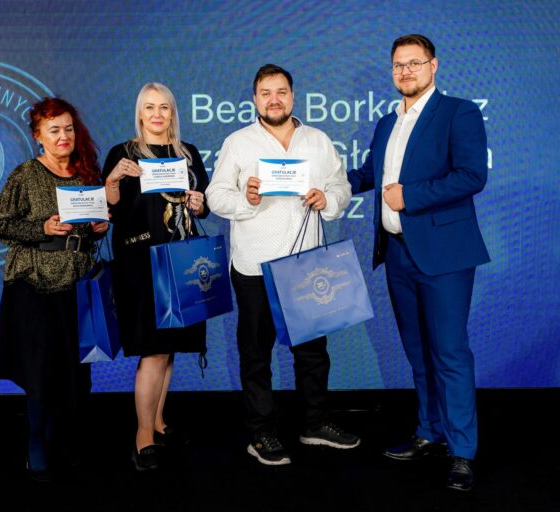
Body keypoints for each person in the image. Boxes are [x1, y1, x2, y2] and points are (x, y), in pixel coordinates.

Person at [348, 34, 489, 492]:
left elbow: (472, 175)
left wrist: (410, 196)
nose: (405, 71)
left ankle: (463, 451)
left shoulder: (458, 113)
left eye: (414, 63)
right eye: (398, 65)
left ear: (433, 66)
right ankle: (430, 431)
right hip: (397, 254)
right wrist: (317, 185)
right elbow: (368, 175)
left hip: (445, 255)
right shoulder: (387, 123)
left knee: (449, 351)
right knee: (417, 351)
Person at [205, 64, 359, 466]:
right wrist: (246, 199)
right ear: (255, 99)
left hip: (307, 264)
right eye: (266, 93)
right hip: (255, 266)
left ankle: (315, 423)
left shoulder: (317, 140)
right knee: (257, 353)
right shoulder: (238, 142)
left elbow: (341, 186)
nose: (274, 99)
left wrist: (329, 199)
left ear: (292, 96)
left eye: (281, 92)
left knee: (313, 353)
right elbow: (216, 196)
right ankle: (262, 432)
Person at [0, 97, 108, 482]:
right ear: (38, 136)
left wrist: (98, 228)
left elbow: (89, 232)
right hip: (34, 285)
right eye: (54, 130)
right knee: (41, 372)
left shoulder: (86, 173)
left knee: (77, 373)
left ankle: (67, 441)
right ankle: (36, 443)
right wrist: (40, 228)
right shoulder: (25, 175)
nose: (63, 136)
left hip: (78, 283)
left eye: (68, 128)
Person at [102, 82, 210, 472]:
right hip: (141, 264)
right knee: (153, 349)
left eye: (164, 106)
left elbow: (203, 205)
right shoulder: (123, 153)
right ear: (140, 113)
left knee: (170, 348)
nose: (157, 114)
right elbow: (109, 210)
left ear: (172, 112)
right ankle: (143, 434)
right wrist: (112, 180)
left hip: (181, 261)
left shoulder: (188, 153)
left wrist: (199, 203)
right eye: (149, 107)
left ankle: (159, 422)